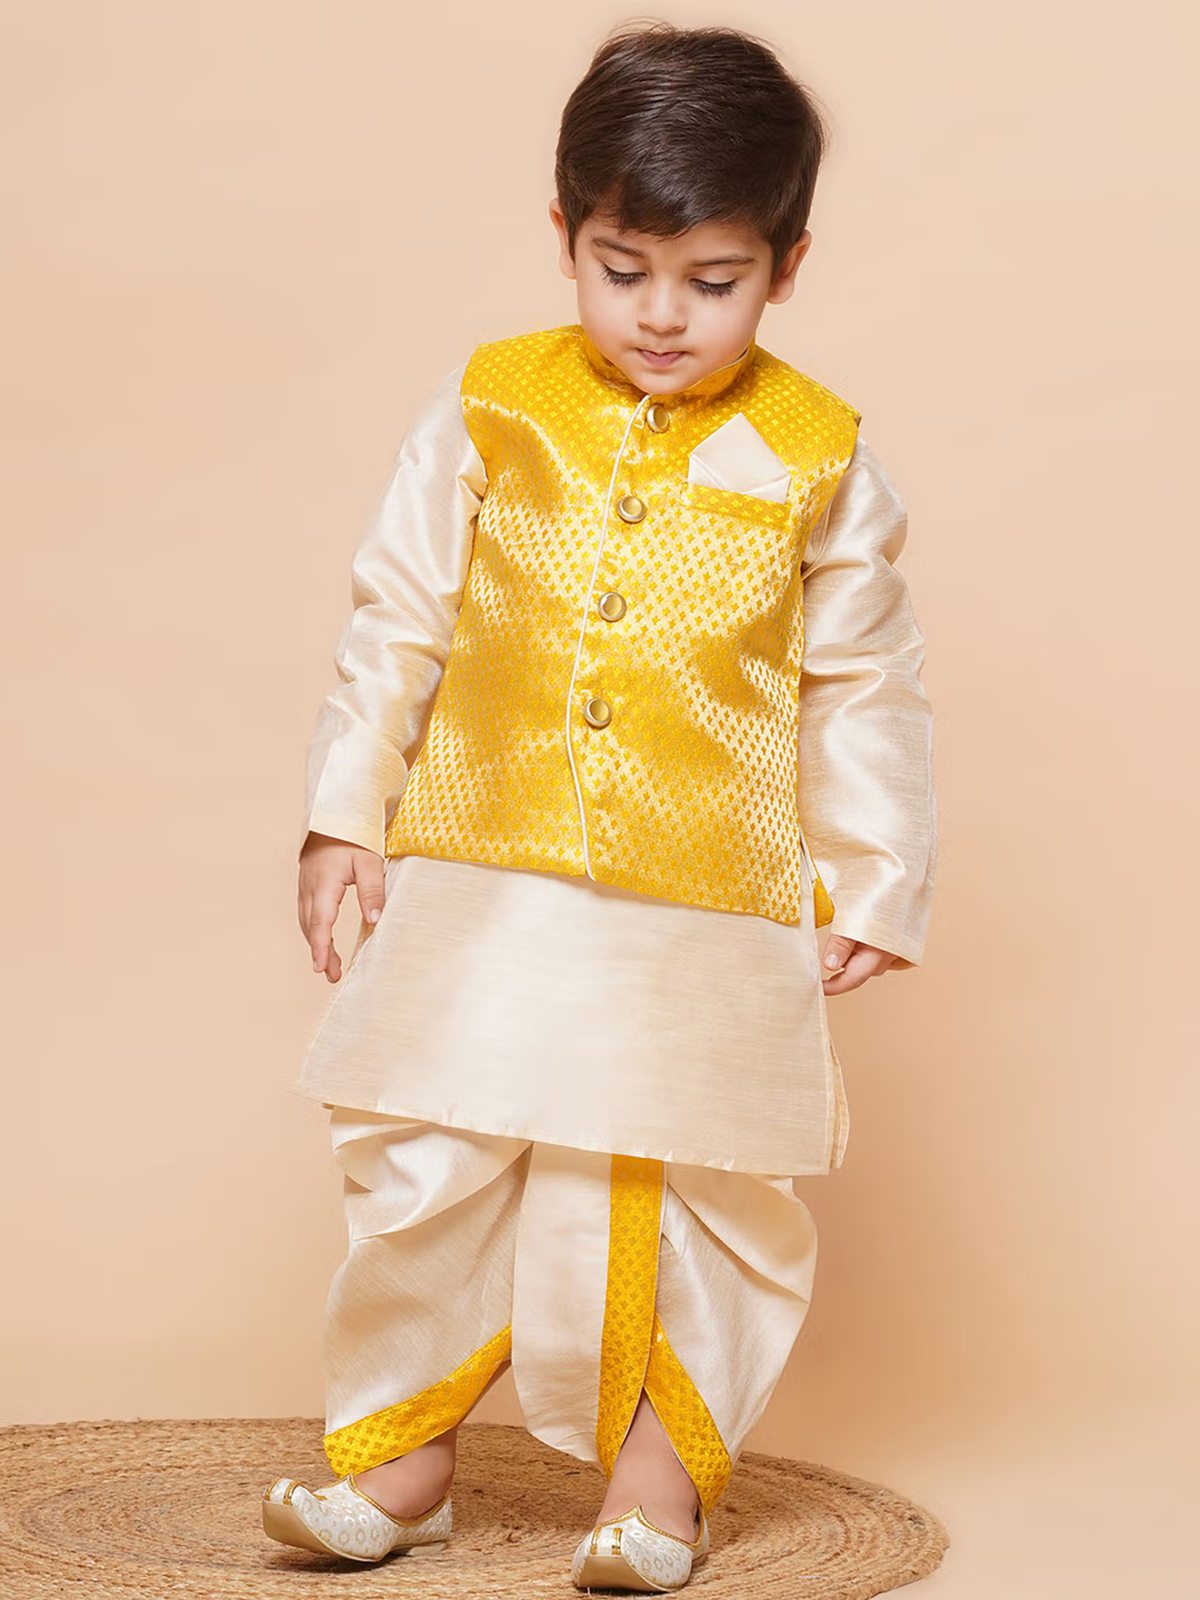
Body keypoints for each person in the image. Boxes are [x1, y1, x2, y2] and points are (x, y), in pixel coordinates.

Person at [260, 19, 937, 1592]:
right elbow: (398, 616)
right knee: (433, 1155)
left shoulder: (821, 455)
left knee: (697, 1174)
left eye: (715, 281)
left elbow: (866, 684)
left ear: (788, 263)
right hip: (481, 871)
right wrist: (343, 813)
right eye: (623, 267)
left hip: (714, 892)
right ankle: (404, 1460)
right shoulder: (491, 406)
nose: (662, 316)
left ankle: (659, 1488)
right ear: (564, 234)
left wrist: (878, 876)